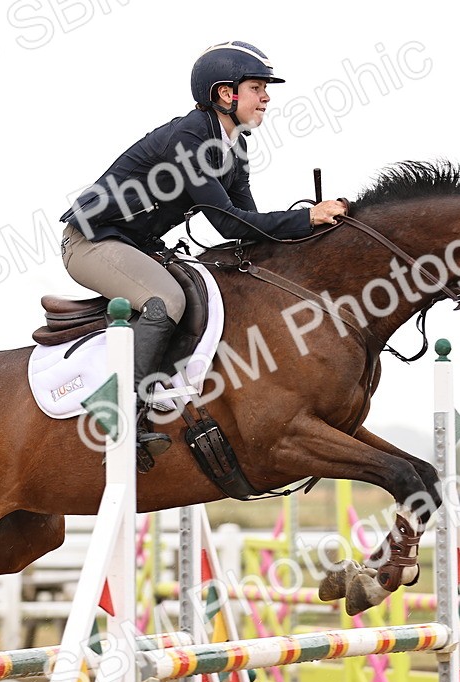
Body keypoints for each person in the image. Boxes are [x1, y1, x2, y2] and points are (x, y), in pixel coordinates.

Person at [59, 41, 347, 469]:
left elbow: (247, 226)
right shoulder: (191, 138)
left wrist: (312, 241)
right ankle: (117, 412)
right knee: (168, 301)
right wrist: (307, 218)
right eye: (256, 87)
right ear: (224, 93)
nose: (266, 96)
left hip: (130, 244)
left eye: (265, 88)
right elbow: (228, 224)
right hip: (89, 243)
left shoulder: (235, 147)